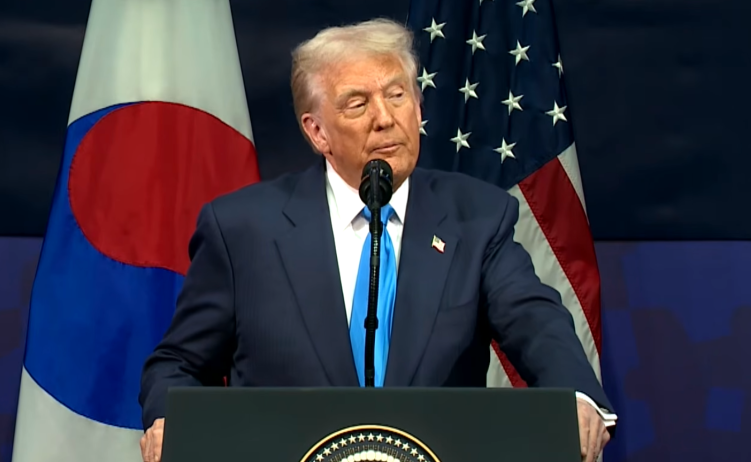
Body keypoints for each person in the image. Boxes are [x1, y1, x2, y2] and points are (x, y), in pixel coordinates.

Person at [138, 18, 616, 462]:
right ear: (317, 132)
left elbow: (537, 323)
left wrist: (576, 396)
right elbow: (178, 363)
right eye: (358, 104)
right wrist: (170, 419)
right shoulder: (242, 229)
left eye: (397, 95)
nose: (385, 118)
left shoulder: (477, 217)